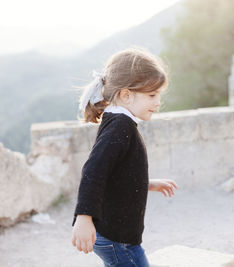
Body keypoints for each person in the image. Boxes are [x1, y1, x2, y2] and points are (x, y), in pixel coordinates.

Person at [71, 47, 179, 267]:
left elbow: (116, 172)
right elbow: (94, 170)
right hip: (117, 238)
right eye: (151, 95)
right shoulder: (120, 126)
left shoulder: (119, 122)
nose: (158, 102)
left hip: (116, 235)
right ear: (126, 94)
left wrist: (147, 183)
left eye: (159, 95)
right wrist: (84, 217)